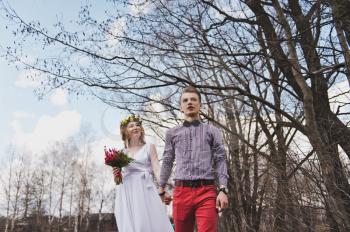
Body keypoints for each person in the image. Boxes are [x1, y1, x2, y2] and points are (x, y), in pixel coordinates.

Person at [159, 86, 229, 232]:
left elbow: (221, 159)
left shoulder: (213, 131)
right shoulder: (172, 133)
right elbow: (167, 160)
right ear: (181, 107)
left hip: (206, 191)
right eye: (185, 100)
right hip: (181, 191)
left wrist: (223, 189)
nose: (189, 102)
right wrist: (161, 188)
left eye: (193, 99)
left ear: (200, 105)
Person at [113, 115, 174, 232]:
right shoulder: (121, 153)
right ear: (125, 131)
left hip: (144, 188)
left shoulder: (149, 147)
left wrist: (162, 187)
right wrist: (116, 174)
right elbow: (117, 180)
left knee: (147, 222)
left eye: (137, 125)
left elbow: (156, 168)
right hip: (126, 191)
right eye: (131, 126)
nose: (135, 127)